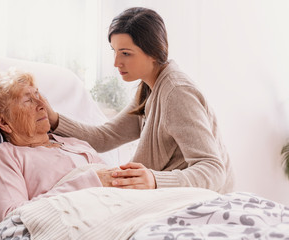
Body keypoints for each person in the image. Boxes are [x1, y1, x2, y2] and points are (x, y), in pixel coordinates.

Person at [46, 7, 234, 192]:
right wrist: (53, 119)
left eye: (126, 53)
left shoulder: (178, 93)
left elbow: (214, 170)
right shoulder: (149, 88)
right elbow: (105, 137)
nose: (116, 62)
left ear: (153, 52)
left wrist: (154, 179)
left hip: (204, 201)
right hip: (173, 198)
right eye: (114, 51)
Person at [0, 69, 116, 223]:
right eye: (28, 100)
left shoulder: (77, 143)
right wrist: (89, 182)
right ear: (4, 122)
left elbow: (114, 181)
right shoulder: (4, 156)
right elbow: (13, 219)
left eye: (37, 95)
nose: (42, 105)